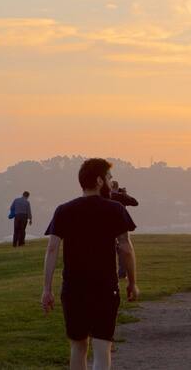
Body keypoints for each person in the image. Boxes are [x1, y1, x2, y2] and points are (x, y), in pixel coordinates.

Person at [41, 158, 139, 370]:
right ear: (98, 180)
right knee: (102, 348)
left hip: (73, 288)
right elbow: (125, 248)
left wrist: (46, 289)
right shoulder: (115, 209)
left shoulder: (64, 210)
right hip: (105, 287)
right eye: (108, 177)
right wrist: (132, 282)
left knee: (78, 347)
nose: (111, 182)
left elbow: (51, 249)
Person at [106, 181, 139, 279]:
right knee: (122, 250)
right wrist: (125, 194)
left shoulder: (105, 196)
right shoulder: (120, 197)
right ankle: (122, 273)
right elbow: (135, 202)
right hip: (120, 226)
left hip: (107, 226)